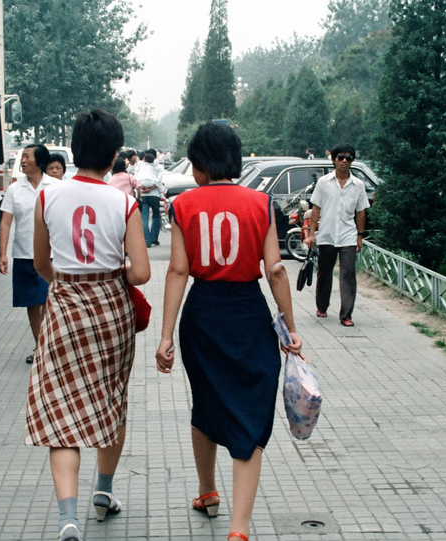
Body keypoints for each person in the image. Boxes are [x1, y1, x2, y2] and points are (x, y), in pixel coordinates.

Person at [155, 122, 303, 541]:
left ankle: (207, 491)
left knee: (206, 402)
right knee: (249, 413)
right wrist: (290, 329)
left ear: (200, 162)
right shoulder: (261, 202)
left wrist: (165, 337)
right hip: (249, 313)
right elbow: (275, 269)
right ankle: (239, 530)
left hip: (202, 314)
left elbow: (178, 270)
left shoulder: (182, 205)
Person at [27, 109, 150, 541]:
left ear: (74, 150)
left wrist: (67, 281)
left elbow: (41, 262)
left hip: (63, 304)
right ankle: (104, 490)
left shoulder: (48, 196)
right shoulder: (124, 200)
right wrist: (109, 273)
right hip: (110, 307)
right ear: (115, 154)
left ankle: (67, 517)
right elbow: (141, 272)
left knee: (62, 405)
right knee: (109, 398)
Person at [0, 144, 59, 363]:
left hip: (53, 255)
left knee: (49, 300)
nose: (22, 161)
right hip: (24, 254)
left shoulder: (55, 186)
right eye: (21, 157)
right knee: (33, 302)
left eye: (26, 157)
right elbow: (6, 222)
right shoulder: (15, 189)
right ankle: (40, 347)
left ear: (40, 161)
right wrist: (2, 253)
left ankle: (50, 344)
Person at [305, 143, 370, 326]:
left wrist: (359, 236)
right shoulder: (324, 182)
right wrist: (311, 234)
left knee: (348, 274)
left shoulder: (358, 185)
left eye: (348, 158)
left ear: (352, 161)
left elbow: (361, 212)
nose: (344, 161)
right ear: (334, 160)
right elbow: (316, 209)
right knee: (325, 272)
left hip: (348, 235)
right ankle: (322, 305)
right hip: (326, 234)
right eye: (340, 157)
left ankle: (346, 315)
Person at [136, 152, 163, 247]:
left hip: (142, 195)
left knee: (144, 217)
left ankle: (147, 241)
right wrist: (151, 188)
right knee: (156, 215)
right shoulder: (158, 167)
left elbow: (137, 178)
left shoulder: (139, 166)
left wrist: (143, 188)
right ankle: (154, 238)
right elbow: (159, 180)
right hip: (154, 194)